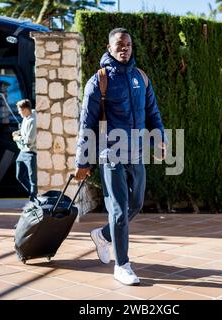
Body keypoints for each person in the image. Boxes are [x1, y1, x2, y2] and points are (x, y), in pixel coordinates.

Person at [74, 28, 166, 286]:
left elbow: (153, 113)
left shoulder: (141, 78)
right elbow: (86, 125)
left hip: (136, 153)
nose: (124, 48)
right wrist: (82, 161)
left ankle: (103, 236)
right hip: (110, 155)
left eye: (128, 44)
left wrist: (160, 138)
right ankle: (122, 265)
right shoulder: (99, 81)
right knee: (118, 211)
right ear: (109, 47)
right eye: (119, 44)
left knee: (135, 205)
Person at [13, 99, 38, 202]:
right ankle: (34, 195)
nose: (18, 112)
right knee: (19, 176)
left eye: (20, 110)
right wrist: (17, 132)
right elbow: (24, 131)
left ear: (25, 109)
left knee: (33, 180)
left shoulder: (33, 120)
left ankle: (34, 200)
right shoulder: (25, 118)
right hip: (22, 152)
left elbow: (29, 140)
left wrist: (16, 138)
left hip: (31, 153)